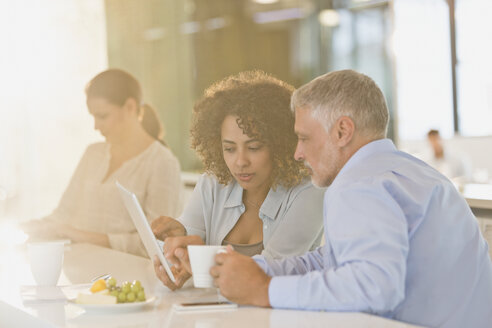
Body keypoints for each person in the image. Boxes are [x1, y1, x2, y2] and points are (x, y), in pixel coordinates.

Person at [206, 70, 492, 328]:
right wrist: (259, 270)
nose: (297, 153)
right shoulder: (418, 175)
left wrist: (264, 289)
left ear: (342, 131)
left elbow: (375, 288)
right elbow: (335, 257)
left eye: (304, 138)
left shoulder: (358, 185)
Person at [152, 70, 325, 290]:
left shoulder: (309, 191)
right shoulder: (213, 183)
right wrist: (174, 254)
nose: (240, 161)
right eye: (229, 149)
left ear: (280, 145)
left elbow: (274, 269)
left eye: (254, 147)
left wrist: (201, 262)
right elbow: (185, 250)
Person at [21, 69, 184, 257]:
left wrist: (78, 235)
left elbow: (156, 242)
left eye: (103, 116)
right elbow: (62, 215)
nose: (96, 126)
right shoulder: (93, 154)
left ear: (130, 107)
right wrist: (22, 228)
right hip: (79, 270)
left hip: (129, 277)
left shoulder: (162, 163)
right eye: (93, 116)